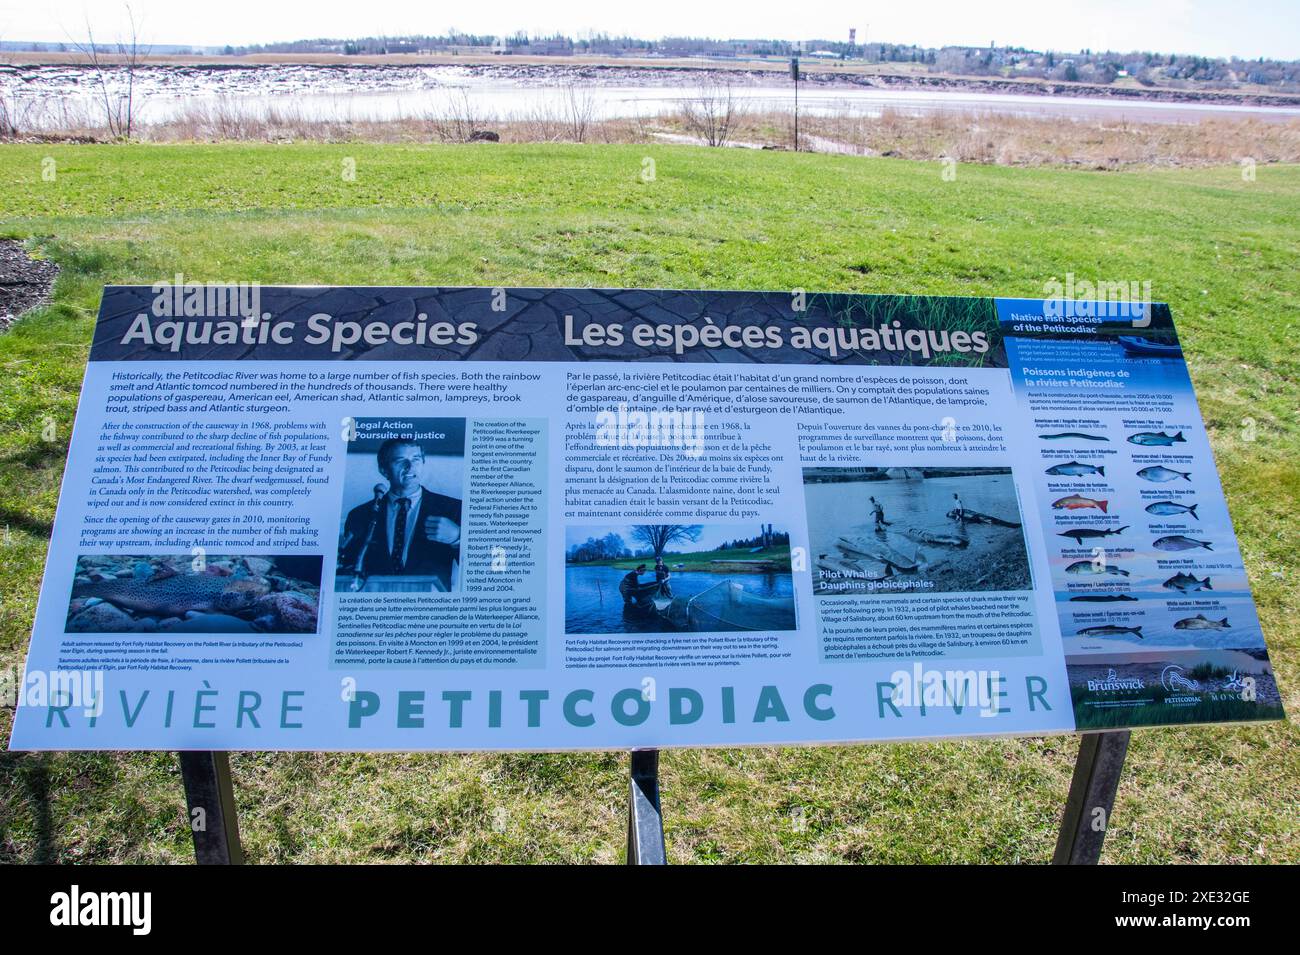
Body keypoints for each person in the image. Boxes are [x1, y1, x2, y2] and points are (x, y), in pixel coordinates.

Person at [339, 438, 462, 590]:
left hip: (430, 608)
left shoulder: (452, 508)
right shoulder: (360, 515)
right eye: (400, 460)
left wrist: (458, 538)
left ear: (422, 464)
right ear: (384, 470)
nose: (410, 467)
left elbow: (485, 567)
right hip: (374, 607)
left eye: (416, 459)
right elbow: (347, 570)